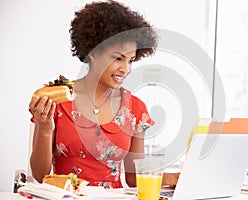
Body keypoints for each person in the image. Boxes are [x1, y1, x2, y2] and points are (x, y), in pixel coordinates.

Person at [28, 0, 158, 188]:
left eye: (131, 60)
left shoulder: (135, 109)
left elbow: (134, 179)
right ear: (93, 52)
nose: (125, 69)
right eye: (118, 58)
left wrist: (176, 177)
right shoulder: (56, 100)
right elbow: (40, 176)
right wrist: (45, 129)